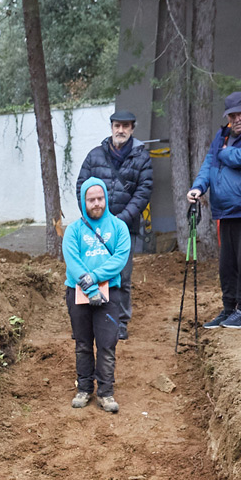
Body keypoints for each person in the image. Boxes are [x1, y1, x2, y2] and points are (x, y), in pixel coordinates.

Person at [188, 91, 241, 328]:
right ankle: (227, 308)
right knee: (227, 263)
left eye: (239, 114)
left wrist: (222, 153)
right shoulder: (222, 134)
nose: (235, 120)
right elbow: (208, 163)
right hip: (224, 210)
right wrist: (198, 187)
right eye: (231, 115)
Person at [74, 108, 153, 341]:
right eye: (117, 125)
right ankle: (86, 320)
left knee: (122, 277)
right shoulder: (94, 155)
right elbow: (82, 187)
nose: (121, 130)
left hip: (124, 228)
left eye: (125, 126)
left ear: (132, 129)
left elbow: (144, 191)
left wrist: (120, 221)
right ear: (111, 128)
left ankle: (119, 322)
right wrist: (91, 219)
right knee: (89, 272)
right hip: (93, 228)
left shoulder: (142, 157)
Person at [63, 176, 131, 413]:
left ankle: (105, 392)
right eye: (91, 200)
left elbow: (119, 259)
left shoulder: (119, 227)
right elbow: (73, 262)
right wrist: (90, 287)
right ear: (84, 201)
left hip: (109, 295)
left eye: (100, 198)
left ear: (106, 198)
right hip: (78, 294)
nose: (96, 204)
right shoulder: (73, 231)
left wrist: (95, 278)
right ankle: (83, 389)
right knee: (82, 344)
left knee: (106, 344)